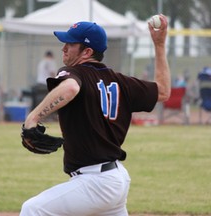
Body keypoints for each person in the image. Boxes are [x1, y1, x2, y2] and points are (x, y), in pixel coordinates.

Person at [20, 14, 170, 216]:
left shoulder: (75, 73)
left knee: (33, 209)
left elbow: (71, 88)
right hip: (115, 179)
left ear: (87, 51)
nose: (64, 48)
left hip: (95, 182)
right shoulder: (121, 82)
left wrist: (33, 119)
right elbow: (162, 91)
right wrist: (159, 45)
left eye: (70, 44)